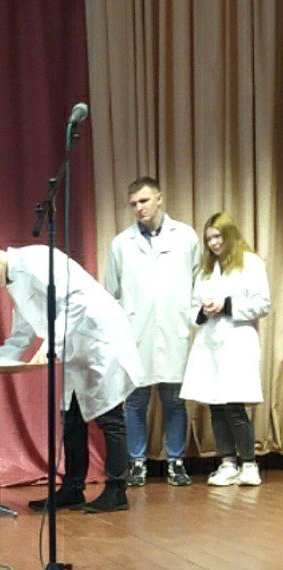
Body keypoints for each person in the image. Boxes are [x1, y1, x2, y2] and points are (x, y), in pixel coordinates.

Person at [0, 241, 142, 513]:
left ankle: (117, 490)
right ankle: (72, 488)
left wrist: (50, 347)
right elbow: (23, 332)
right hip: (75, 350)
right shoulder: (14, 282)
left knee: (110, 417)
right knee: (72, 420)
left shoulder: (36, 259)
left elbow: (75, 301)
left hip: (99, 340)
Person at [104, 176, 200, 487]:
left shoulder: (185, 236)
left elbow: (198, 281)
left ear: (159, 198)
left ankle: (176, 462)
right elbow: (112, 292)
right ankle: (137, 463)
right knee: (135, 402)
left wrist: (190, 318)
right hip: (136, 333)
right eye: (133, 204)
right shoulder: (121, 243)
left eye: (144, 201)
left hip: (174, 330)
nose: (139, 208)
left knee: (174, 401)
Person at [181, 213, 271, 486]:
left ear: (229, 234)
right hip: (209, 343)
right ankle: (227, 463)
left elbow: (262, 304)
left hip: (237, 342)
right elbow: (192, 308)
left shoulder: (251, 263)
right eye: (209, 238)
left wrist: (227, 305)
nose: (213, 243)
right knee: (216, 406)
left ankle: (249, 464)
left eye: (218, 236)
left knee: (234, 406)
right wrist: (203, 311)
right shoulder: (206, 270)